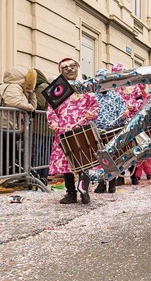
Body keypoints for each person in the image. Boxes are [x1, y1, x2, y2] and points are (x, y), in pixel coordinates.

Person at [47, 58, 99, 204]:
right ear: (60, 71)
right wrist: (53, 122)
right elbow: (51, 110)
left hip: (82, 129)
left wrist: (91, 114)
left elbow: (94, 106)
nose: (69, 69)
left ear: (78, 68)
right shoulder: (58, 89)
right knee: (66, 163)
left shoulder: (85, 86)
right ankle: (70, 193)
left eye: (72, 66)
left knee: (85, 161)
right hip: (63, 131)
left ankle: (84, 190)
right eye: (65, 67)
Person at [93, 67, 129, 194]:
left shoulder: (116, 96)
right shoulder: (93, 96)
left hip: (112, 131)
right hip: (97, 131)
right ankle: (101, 183)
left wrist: (124, 114)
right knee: (99, 158)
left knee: (112, 157)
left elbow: (123, 111)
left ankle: (112, 183)